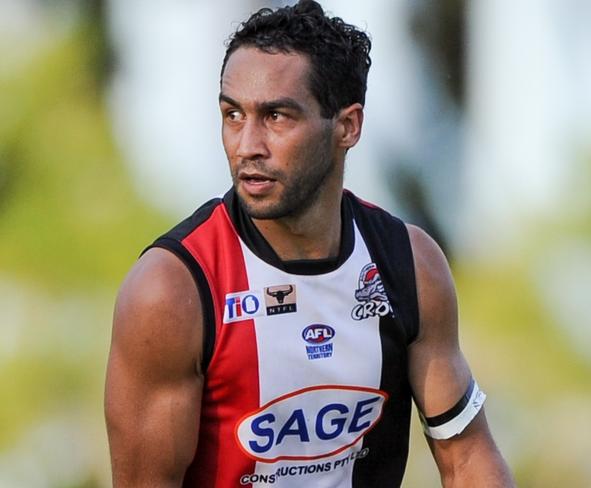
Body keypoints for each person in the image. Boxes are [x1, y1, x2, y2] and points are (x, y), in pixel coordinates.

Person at [105, 1, 515, 486]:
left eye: (277, 117)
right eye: (233, 115)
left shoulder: (410, 265)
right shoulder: (171, 291)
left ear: (348, 126)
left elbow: (467, 460)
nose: (247, 145)